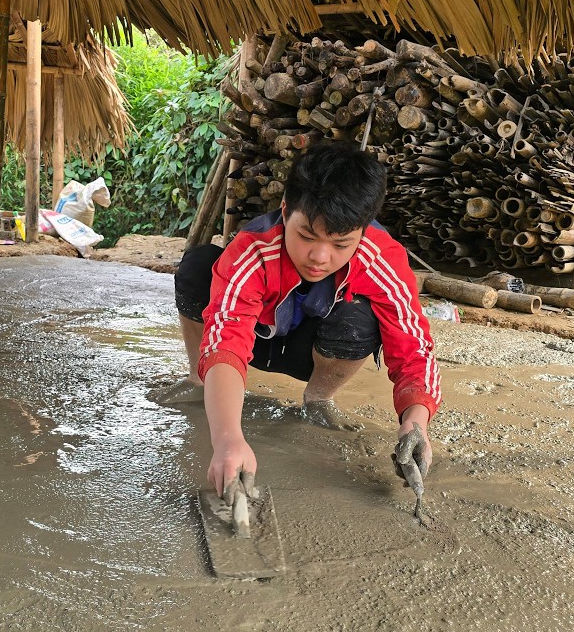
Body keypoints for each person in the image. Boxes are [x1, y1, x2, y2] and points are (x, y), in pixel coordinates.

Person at [158, 141, 440, 499]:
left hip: (313, 353)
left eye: (341, 244)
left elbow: (414, 345)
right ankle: (200, 380)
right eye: (306, 236)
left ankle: (319, 399)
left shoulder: (383, 258)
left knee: (360, 318)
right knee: (198, 266)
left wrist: (415, 422)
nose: (320, 257)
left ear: (364, 230)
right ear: (286, 209)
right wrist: (228, 440)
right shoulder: (252, 248)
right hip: (255, 342)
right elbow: (226, 338)